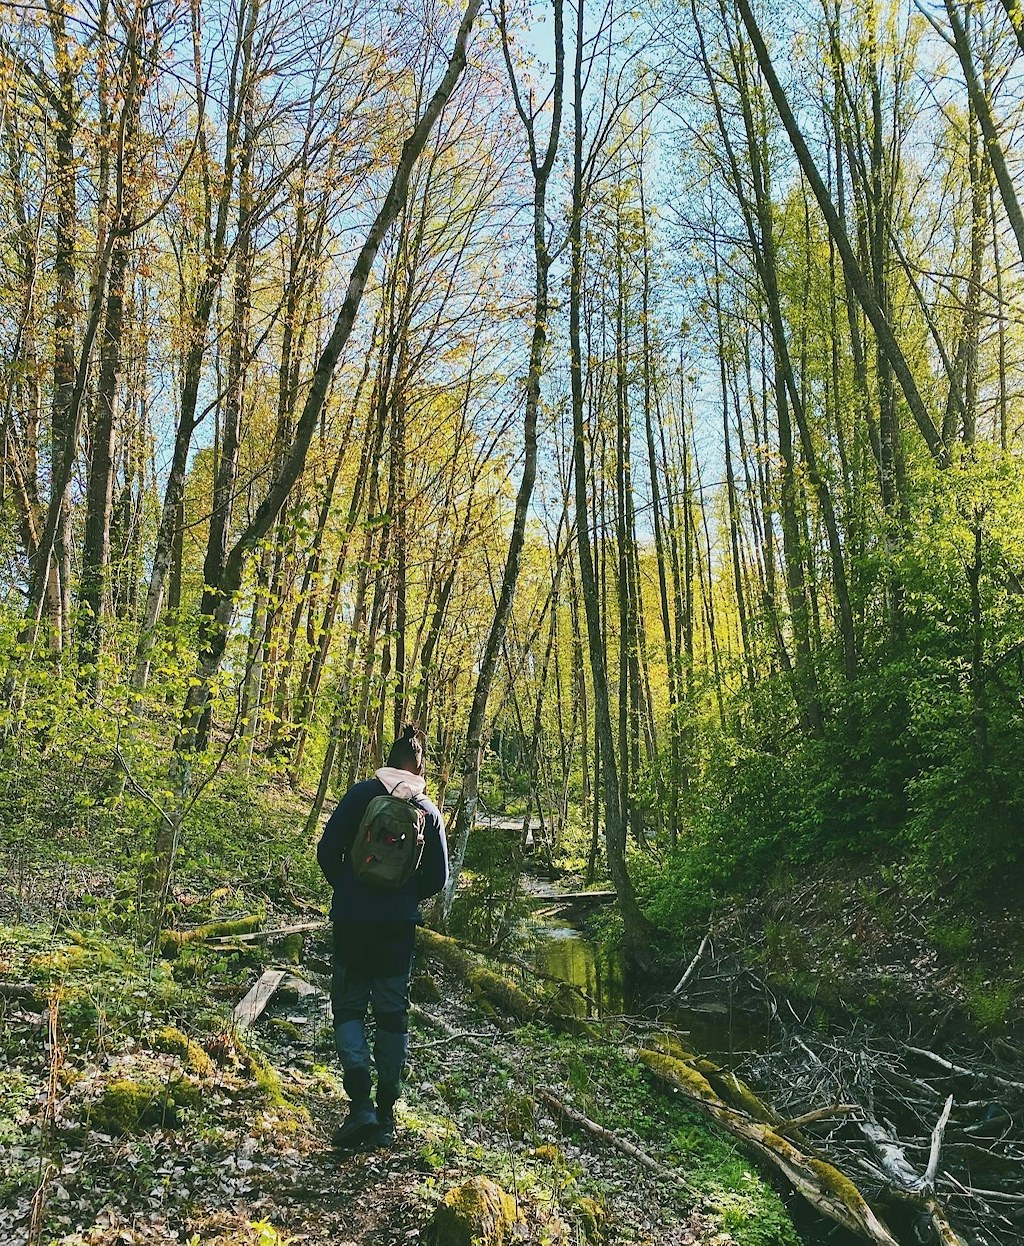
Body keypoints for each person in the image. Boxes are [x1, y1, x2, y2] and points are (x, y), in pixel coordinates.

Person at [316, 723, 448, 1150]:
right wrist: (404, 898)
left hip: (353, 920)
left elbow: (326, 851)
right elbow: (438, 878)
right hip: (397, 928)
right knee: (392, 1014)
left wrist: (349, 889)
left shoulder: (359, 796)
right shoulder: (428, 809)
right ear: (419, 766)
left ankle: (360, 1106)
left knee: (349, 1007)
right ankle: (387, 1113)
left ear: (388, 760)